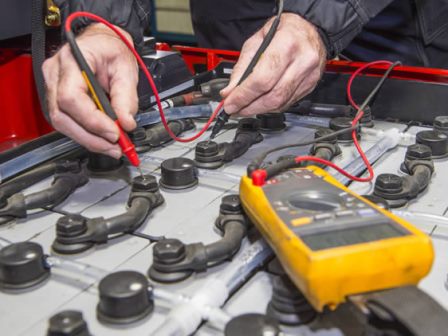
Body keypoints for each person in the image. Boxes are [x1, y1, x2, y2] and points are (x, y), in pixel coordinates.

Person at [42, 0, 448, 158]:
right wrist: (103, 24)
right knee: (251, 96)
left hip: (391, 23)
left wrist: (318, 19)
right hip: (238, 12)